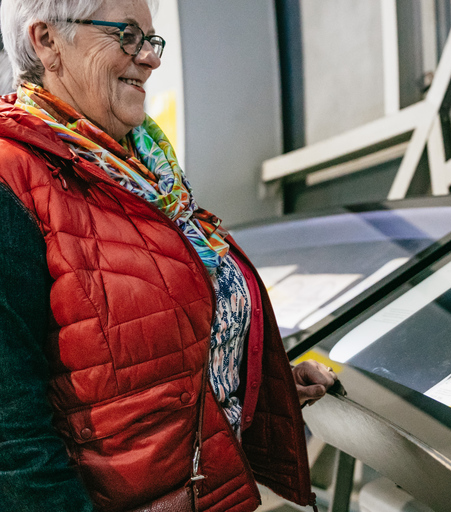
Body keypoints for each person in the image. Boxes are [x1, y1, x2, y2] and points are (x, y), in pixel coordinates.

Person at [0, 1, 336, 510]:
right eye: (127, 35)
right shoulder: (12, 180)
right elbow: (12, 436)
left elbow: (152, 354)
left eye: (151, 40)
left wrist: (265, 384)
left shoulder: (143, 168)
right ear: (47, 41)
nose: (151, 59)